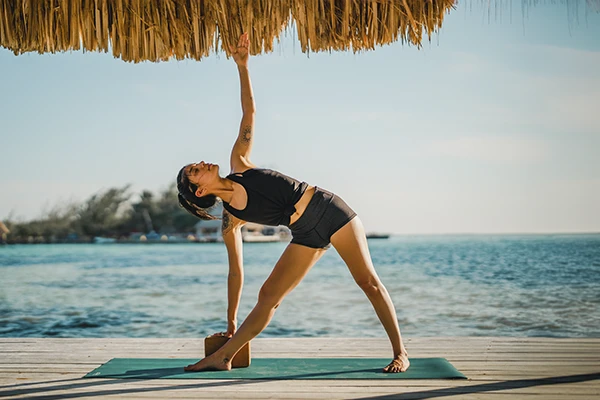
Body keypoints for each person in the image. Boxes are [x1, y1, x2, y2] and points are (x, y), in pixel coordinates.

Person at [177, 33, 410, 373]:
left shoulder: (239, 162)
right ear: (198, 191)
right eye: (195, 171)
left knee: (368, 282)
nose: (202, 163)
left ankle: (401, 352)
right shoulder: (230, 220)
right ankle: (225, 354)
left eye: (197, 163)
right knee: (268, 295)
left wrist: (243, 67)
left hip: (330, 211)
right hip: (305, 233)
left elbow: (249, 111)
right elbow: (235, 271)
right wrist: (230, 319)